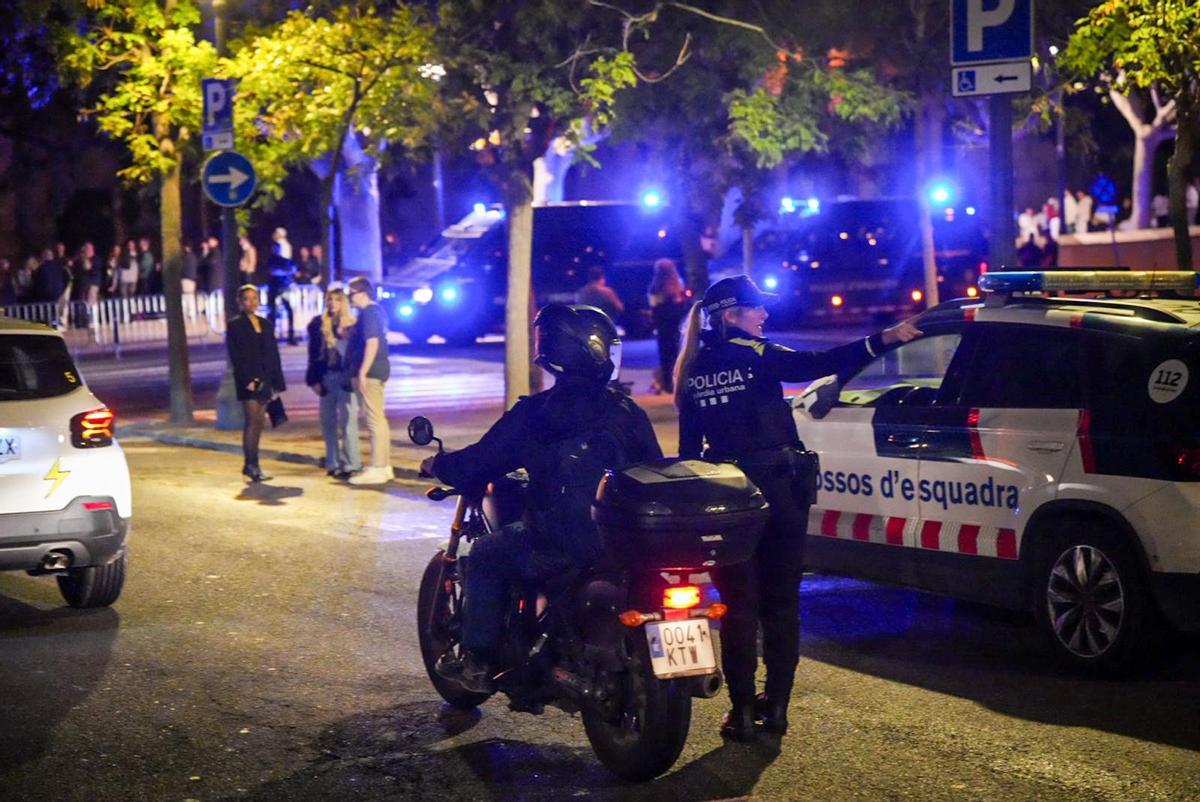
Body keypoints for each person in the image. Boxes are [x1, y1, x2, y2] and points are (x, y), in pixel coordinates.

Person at [674, 275, 921, 741]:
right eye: (756, 309)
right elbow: (820, 362)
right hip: (782, 494)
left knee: (739, 606)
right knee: (782, 604)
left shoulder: (693, 369)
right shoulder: (760, 356)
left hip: (731, 502)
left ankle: (743, 710)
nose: (765, 315)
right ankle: (779, 707)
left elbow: (689, 453)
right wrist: (883, 339)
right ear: (731, 316)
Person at [420, 304, 662, 691]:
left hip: (562, 544)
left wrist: (439, 465)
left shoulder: (538, 414)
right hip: (621, 544)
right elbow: (653, 467)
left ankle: (478, 661)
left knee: (485, 554)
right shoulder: (627, 411)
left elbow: (481, 461)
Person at [226, 284, 286, 482]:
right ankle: (251, 465)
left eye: (254, 298)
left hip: (266, 379)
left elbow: (273, 355)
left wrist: (277, 382)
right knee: (252, 422)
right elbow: (237, 356)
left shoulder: (266, 324)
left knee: (260, 423)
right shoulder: (235, 324)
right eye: (247, 299)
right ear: (240, 302)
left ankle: (252, 464)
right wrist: (248, 380)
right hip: (250, 381)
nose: (251, 302)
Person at [305, 285, 362, 479]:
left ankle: (351, 463)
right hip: (327, 377)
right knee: (328, 422)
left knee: (348, 423)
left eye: (337, 300)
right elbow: (313, 354)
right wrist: (313, 379)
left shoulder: (351, 325)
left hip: (346, 378)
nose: (332, 303)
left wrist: (342, 334)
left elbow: (353, 355)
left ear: (344, 303)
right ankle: (332, 462)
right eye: (329, 299)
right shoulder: (318, 325)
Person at [346, 276, 392, 485]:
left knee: (374, 419)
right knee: (377, 418)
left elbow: (372, 343)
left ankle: (378, 467)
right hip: (377, 369)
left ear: (361, 293)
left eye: (351, 294)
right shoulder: (378, 311)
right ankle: (384, 465)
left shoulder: (369, 313)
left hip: (372, 371)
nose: (349, 299)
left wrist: (363, 372)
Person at [647, 258, 688, 393]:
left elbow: (653, 306)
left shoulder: (654, 287)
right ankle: (681, 381)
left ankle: (667, 383)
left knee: (665, 355)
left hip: (663, 325)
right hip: (677, 323)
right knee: (678, 353)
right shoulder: (679, 284)